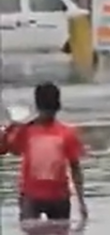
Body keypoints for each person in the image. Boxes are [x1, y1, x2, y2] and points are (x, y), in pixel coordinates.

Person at [1, 82, 88, 225]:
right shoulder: (27, 131)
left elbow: (75, 168)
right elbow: (5, 149)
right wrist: (9, 130)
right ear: (58, 106)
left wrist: (81, 202)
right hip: (35, 197)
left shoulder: (64, 133)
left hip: (54, 197)